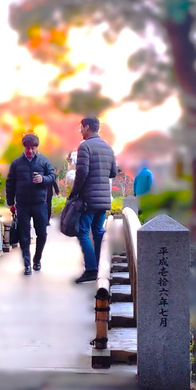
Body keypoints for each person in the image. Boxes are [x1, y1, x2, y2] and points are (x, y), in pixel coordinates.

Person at [69, 116, 118, 284]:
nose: (80, 130)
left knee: (83, 231)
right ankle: (100, 265)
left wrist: (74, 193)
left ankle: (91, 269)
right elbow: (113, 172)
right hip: (103, 198)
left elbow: (82, 173)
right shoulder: (107, 147)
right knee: (97, 231)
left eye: (81, 127)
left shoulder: (85, 146)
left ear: (87, 127)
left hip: (88, 199)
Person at [6, 133, 56, 275]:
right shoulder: (16, 163)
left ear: (36, 148)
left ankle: (37, 259)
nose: (30, 151)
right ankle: (27, 264)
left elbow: (52, 177)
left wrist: (43, 179)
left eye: (33, 148)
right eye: (28, 148)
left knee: (42, 234)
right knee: (24, 235)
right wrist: (11, 202)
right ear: (24, 148)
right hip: (22, 204)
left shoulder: (44, 161)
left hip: (40, 203)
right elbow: (10, 183)